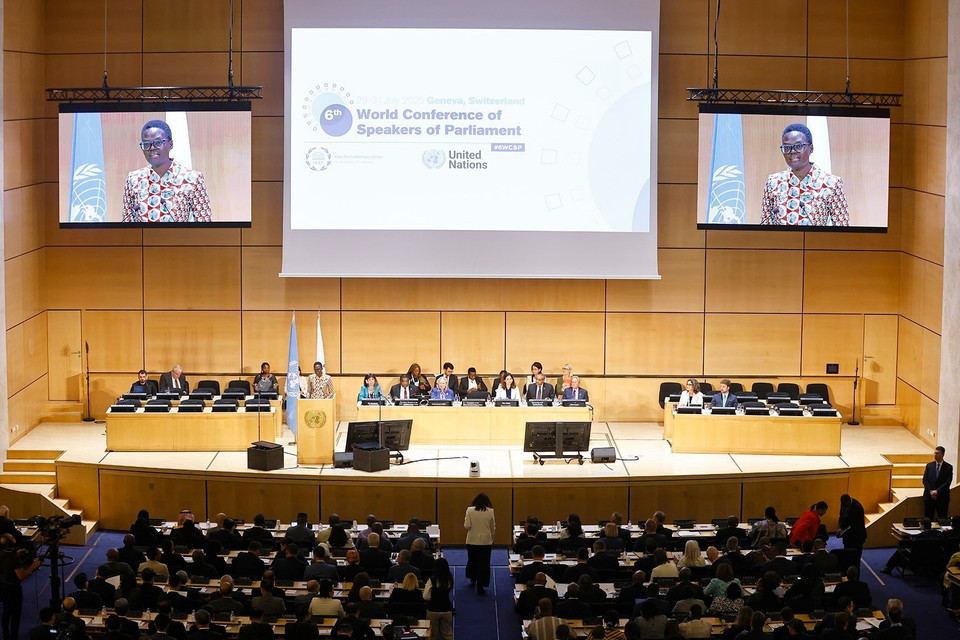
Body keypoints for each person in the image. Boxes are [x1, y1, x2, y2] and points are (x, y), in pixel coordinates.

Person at [122, 120, 212, 223]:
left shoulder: (192, 178)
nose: (152, 148)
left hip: (178, 238)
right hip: (143, 239)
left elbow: (205, 225)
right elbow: (126, 227)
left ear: (170, 144)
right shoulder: (133, 179)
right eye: (146, 144)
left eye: (158, 142)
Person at [760, 122, 849, 227]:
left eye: (799, 146)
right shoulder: (773, 182)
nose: (792, 151)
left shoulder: (831, 183)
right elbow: (765, 227)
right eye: (787, 147)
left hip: (816, 242)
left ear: (811, 148)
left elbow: (843, 229)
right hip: (781, 243)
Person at [0, 533, 41, 640]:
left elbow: (7, 562)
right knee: (15, 615)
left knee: (6, 611)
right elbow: (21, 576)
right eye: (12, 537)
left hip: (3, 587)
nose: (14, 538)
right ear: (10, 542)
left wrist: (16, 554)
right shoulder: (13, 558)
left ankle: (5, 634)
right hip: (14, 589)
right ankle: (13, 636)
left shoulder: (2, 553)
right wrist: (33, 566)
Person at [464, 492, 495, 594]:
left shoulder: (470, 510)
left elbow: (467, 526)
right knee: (484, 564)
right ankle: (481, 585)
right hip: (486, 541)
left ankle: (473, 578)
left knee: (472, 560)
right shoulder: (490, 511)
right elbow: (492, 528)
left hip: (472, 540)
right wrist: (492, 539)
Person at [423, 557, 454, 640]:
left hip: (433, 609)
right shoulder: (450, 579)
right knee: (447, 633)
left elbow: (425, 596)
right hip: (447, 608)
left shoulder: (432, 579)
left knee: (432, 634)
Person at [923, 445, 953, 519]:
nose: (935, 455)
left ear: (942, 454)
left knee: (942, 519)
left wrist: (937, 491)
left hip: (942, 498)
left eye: (937, 453)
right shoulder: (929, 466)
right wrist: (931, 491)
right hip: (929, 497)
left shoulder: (948, 467)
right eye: (934, 453)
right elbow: (925, 480)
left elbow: (947, 482)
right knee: (928, 519)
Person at [837, 493, 867, 563]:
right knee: (847, 555)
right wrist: (840, 528)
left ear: (849, 501)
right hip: (848, 536)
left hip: (857, 536)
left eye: (846, 505)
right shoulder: (844, 504)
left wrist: (844, 531)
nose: (845, 507)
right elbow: (841, 517)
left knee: (856, 557)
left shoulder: (857, 507)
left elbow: (856, 525)